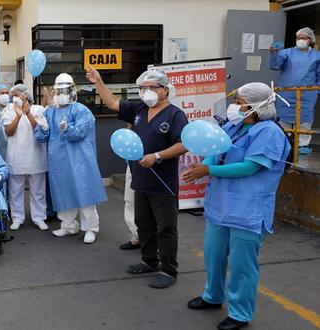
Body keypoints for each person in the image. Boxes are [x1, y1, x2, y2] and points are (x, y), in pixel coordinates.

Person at [182, 83, 290, 330]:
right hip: (220, 206)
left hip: (248, 210)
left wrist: (208, 170)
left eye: (240, 101)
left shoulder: (269, 132)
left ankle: (240, 313)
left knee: (242, 266)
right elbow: (213, 148)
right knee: (214, 256)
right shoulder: (234, 125)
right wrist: (204, 165)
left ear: (256, 106)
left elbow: (250, 167)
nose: (235, 106)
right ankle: (213, 296)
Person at [86, 67, 188, 288]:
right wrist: (99, 82)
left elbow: (183, 144)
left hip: (163, 182)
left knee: (166, 228)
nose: (146, 92)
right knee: (144, 223)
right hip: (140, 178)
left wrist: (157, 156)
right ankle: (149, 260)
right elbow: (113, 104)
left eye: (152, 87)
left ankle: (169, 270)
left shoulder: (175, 115)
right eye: (142, 88)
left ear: (165, 90)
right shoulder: (139, 108)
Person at [35, 73, 107, 244]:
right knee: (63, 192)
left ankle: (90, 228)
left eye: (64, 90)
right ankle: (68, 225)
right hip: (58, 162)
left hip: (80, 160)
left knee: (85, 192)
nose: (60, 94)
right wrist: (43, 128)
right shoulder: (50, 112)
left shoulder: (82, 110)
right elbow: (40, 138)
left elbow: (79, 133)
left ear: (72, 90)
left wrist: (67, 128)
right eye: (58, 90)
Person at [2, 84, 48, 231]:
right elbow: (8, 132)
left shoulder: (38, 109)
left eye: (16, 94)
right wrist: (17, 115)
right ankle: (17, 218)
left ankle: (39, 217)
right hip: (16, 156)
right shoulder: (9, 110)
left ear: (25, 95)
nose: (14, 98)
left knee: (38, 190)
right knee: (15, 190)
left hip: (36, 155)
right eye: (12, 95)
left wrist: (27, 113)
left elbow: (40, 130)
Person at [269, 27, 320, 155]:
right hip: (287, 91)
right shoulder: (286, 53)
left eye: (303, 38)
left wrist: (316, 90)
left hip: (308, 93)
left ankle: (302, 145)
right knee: (284, 118)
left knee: (305, 118)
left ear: (310, 40)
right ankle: (284, 142)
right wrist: (274, 53)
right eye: (298, 38)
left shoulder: (316, 56)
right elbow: (274, 66)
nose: (300, 40)